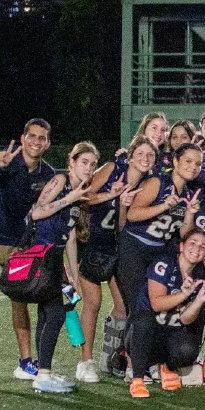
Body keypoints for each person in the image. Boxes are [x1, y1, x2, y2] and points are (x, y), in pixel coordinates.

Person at [0, 119, 55, 387]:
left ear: (47, 143)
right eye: (32, 136)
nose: (36, 141)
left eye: (42, 138)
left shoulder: (46, 174)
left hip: (17, 244)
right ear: (23, 137)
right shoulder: (6, 157)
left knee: (20, 299)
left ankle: (25, 361)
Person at [76, 135, 157, 382]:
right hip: (90, 243)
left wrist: (122, 205)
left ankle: (110, 356)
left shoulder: (147, 185)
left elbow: (122, 226)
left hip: (116, 248)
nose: (145, 159)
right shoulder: (113, 169)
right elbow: (84, 195)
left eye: (150, 155)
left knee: (124, 307)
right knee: (93, 302)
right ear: (130, 156)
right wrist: (110, 195)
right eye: (140, 154)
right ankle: (84, 361)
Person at [29, 142, 96, 393]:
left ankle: (42, 371)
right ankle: (43, 374)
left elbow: (69, 237)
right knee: (56, 313)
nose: (88, 168)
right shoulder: (60, 181)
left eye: (92, 164)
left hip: (55, 258)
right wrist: (69, 198)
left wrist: (74, 274)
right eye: (84, 162)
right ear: (72, 161)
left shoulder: (79, 193)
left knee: (47, 314)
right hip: (41, 255)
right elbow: (36, 213)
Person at [127, 229, 205, 398]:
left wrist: (198, 301)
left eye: (203, 247)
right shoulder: (164, 264)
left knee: (188, 350)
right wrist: (183, 294)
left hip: (169, 332)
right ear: (181, 246)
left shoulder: (199, 276)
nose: (197, 249)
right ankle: (137, 378)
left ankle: (167, 368)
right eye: (193, 243)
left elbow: (185, 319)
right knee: (144, 322)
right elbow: (156, 304)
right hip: (143, 333)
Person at [117, 143, 202, 319]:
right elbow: (132, 214)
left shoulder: (187, 193)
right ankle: (127, 347)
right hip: (135, 247)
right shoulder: (158, 182)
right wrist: (163, 206)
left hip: (158, 251)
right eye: (188, 161)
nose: (193, 167)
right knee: (137, 307)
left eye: (198, 164)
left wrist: (189, 215)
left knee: (152, 307)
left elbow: (184, 234)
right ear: (175, 161)